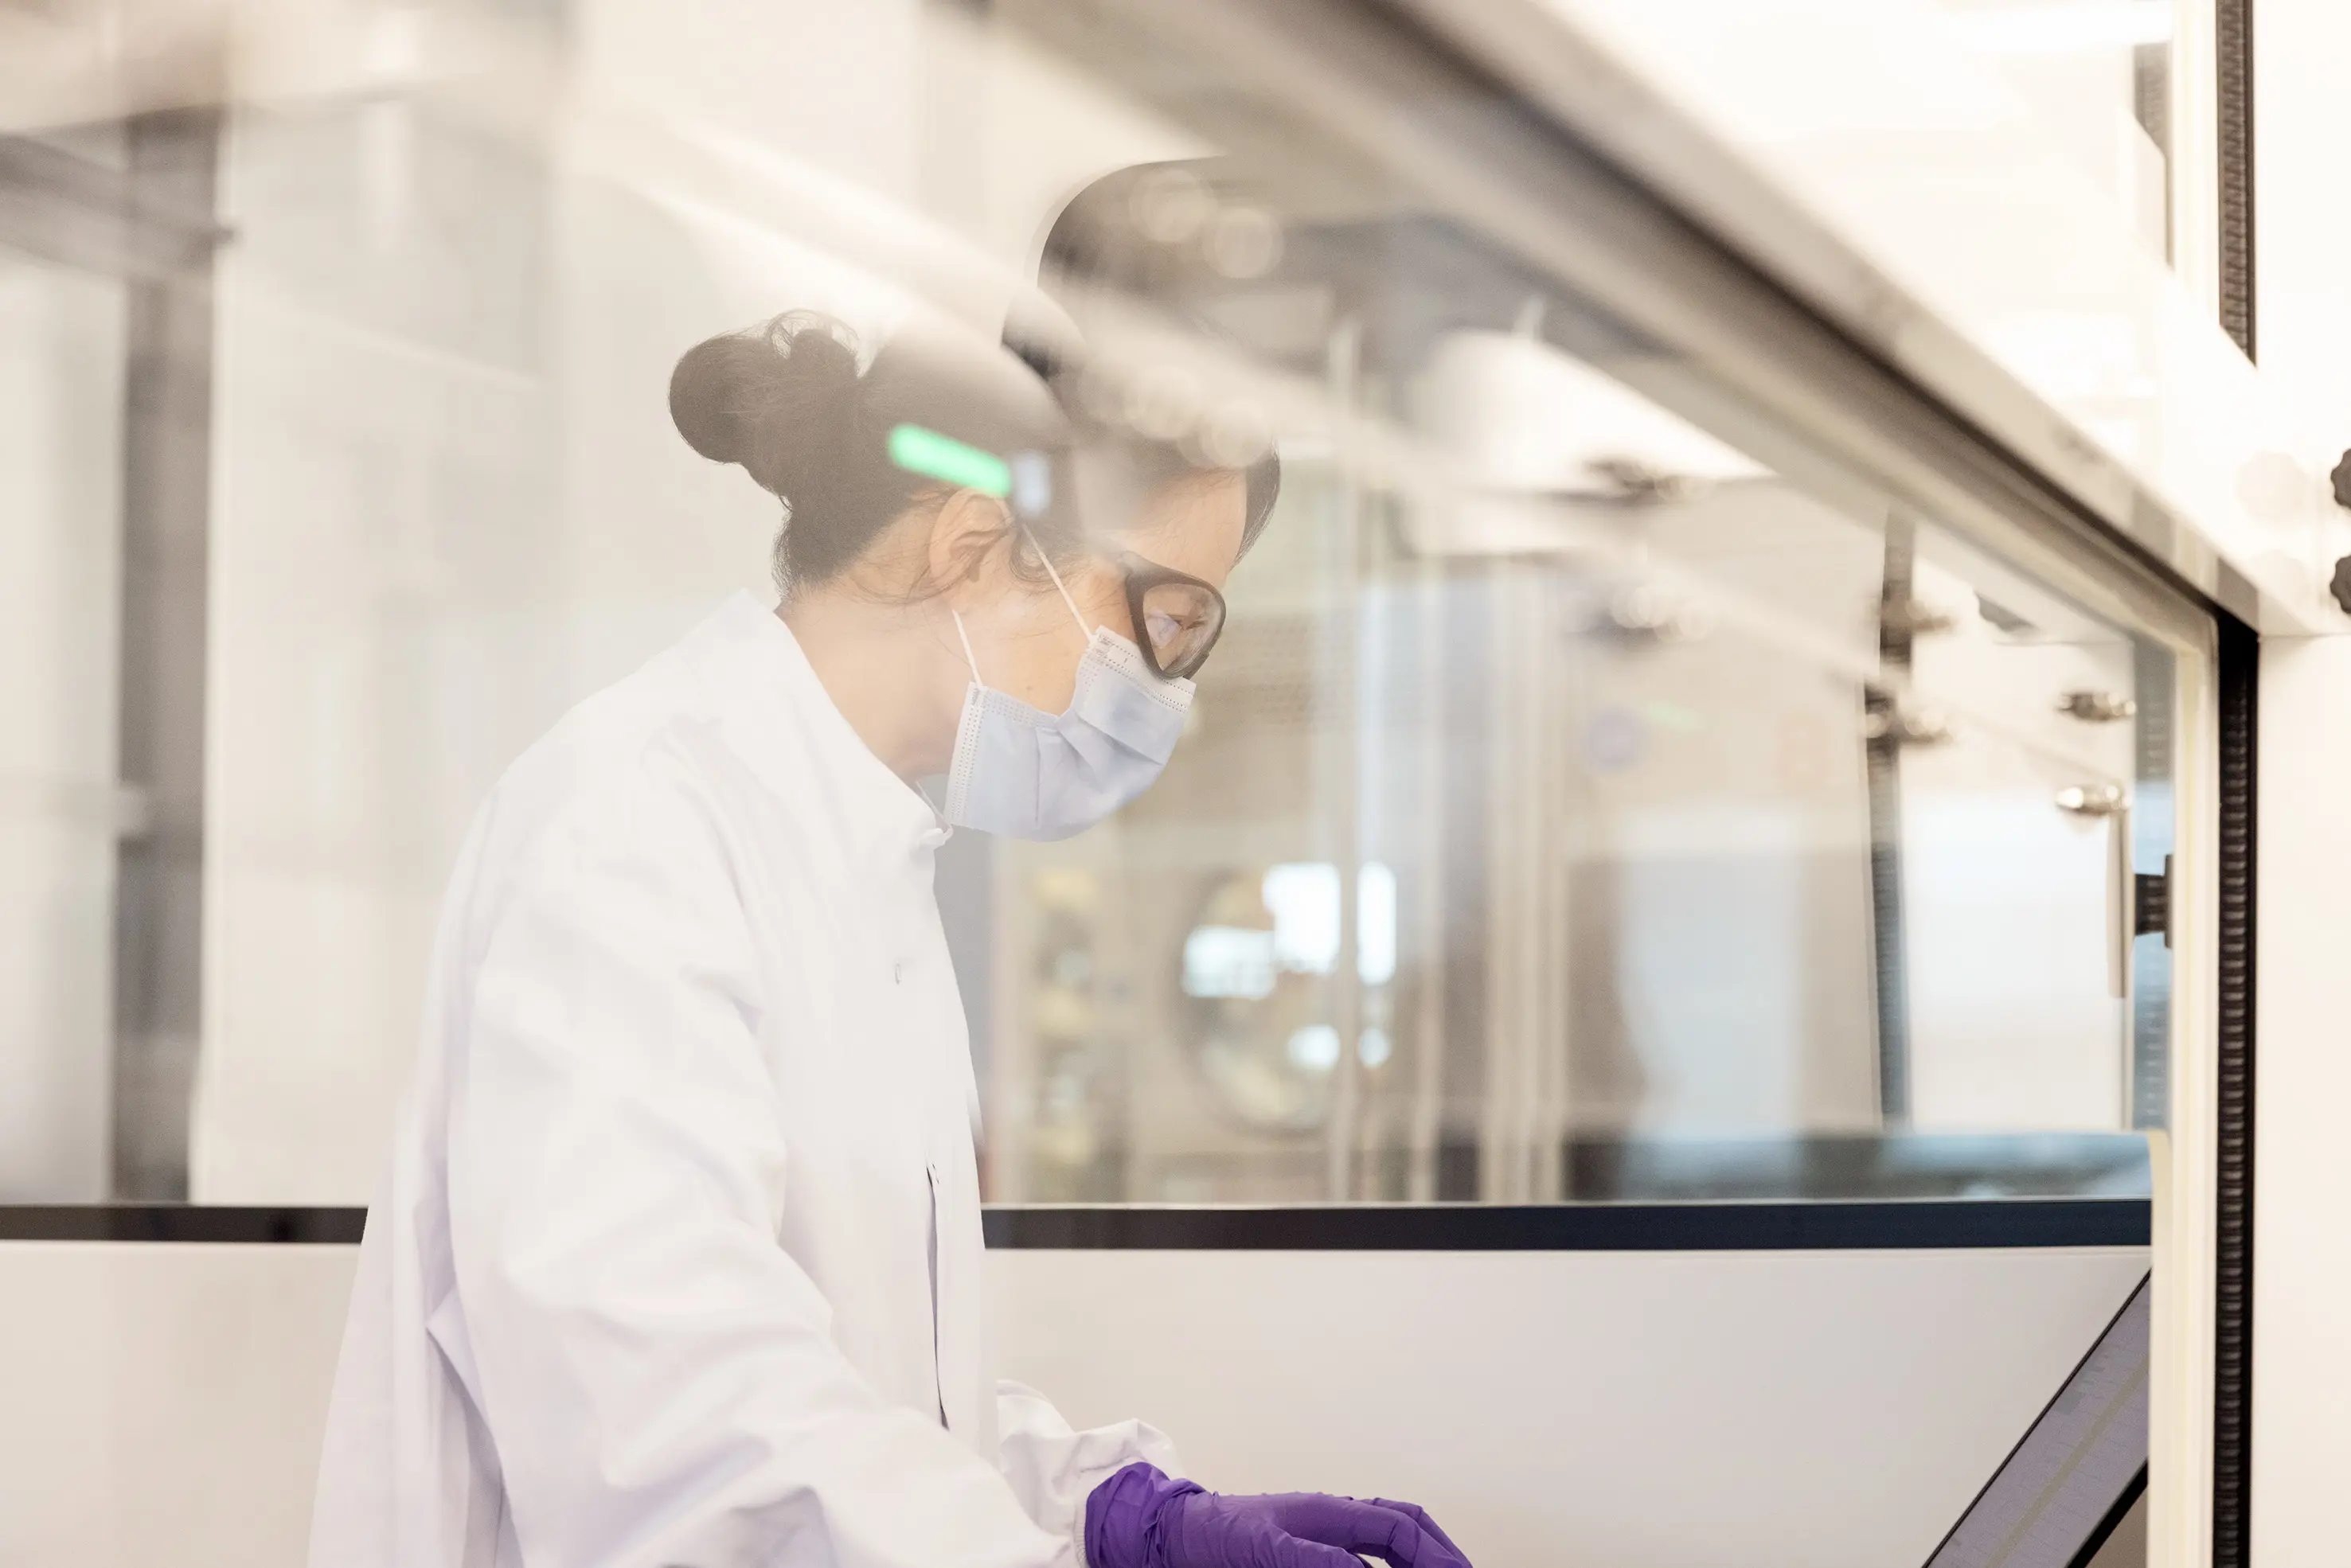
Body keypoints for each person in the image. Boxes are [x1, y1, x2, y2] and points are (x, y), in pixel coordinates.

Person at [306, 302, 1475, 1568]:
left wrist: (1104, 1511)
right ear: (971, 542)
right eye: (1168, 620)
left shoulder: (863, 861)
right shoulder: (636, 823)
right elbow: (678, 1429)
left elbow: (868, 1399)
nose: (1164, 689)